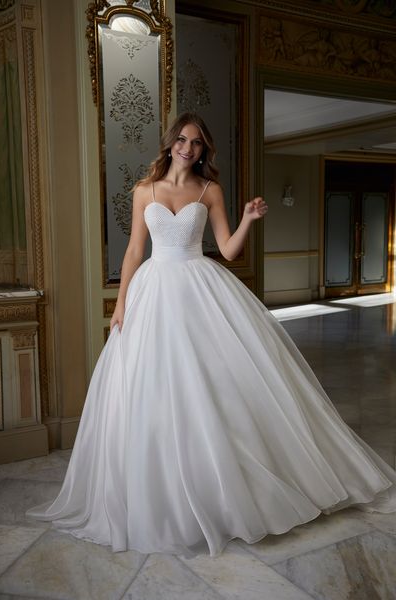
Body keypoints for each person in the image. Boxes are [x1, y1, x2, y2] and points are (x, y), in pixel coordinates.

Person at [27, 112, 396, 557]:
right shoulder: (145, 191)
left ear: (204, 150)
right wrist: (121, 302)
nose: (188, 148)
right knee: (153, 388)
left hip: (201, 288)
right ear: (170, 143)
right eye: (182, 140)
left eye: (197, 143)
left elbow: (226, 250)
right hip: (154, 291)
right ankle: (163, 492)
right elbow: (133, 250)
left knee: (216, 385)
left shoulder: (209, 190)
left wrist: (246, 218)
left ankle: (227, 488)